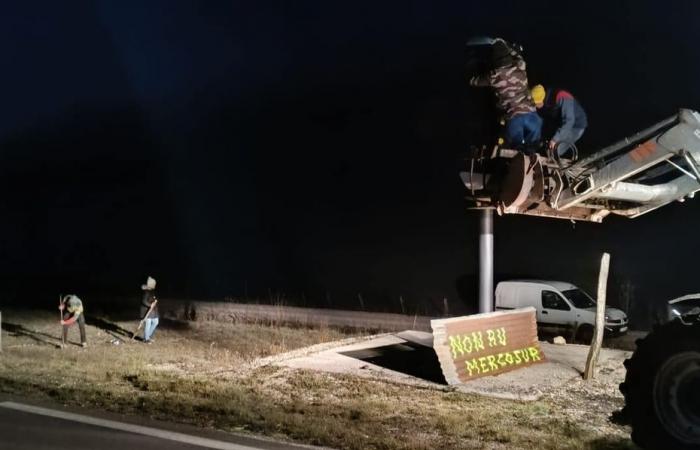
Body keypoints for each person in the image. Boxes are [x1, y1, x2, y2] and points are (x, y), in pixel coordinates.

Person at [467, 37, 542, 151]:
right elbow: (517, 54)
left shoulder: (493, 76)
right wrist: (505, 44)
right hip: (531, 116)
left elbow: (474, 81)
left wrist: (471, 66)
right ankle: (533, 154)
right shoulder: (520, 66)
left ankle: (520, 155)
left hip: (513, 118)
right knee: (533, 146)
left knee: (517, 149)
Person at [530, 84, 588, 159]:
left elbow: (569, 122)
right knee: (544, 144)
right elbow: (544, 120)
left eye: (535, 103)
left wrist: (555, 139)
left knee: (555, 150)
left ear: (541, 100)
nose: (534, 106)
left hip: (575, 126)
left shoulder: (563, 97)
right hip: (560, 123)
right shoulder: (544, 103)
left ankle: (555, 164)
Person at [140, 276, 159, 343]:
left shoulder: (152, 291)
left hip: (153, 311)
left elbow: (153, 299)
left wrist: (155, 301)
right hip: (146, 311)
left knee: (156, 322)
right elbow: (144, 301)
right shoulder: (146, 291)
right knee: (148, 324)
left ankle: (147, 336)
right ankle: (146, 339)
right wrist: (150, 305)